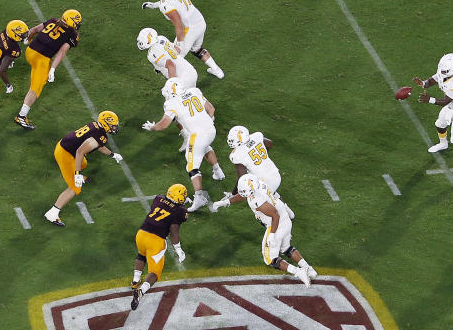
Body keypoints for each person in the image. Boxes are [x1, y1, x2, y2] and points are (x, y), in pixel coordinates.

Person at [142, 79, 224, 211]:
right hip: (210, 130)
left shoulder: (171, 103)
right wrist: (207, 122)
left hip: (197, 136)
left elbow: (164, 124)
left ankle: (199, 198)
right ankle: (218, 171)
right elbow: (211, 109)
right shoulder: (194, 91)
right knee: (203, 147)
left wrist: (153, 128)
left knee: (191, 167)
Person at [231, 174, 315, 286]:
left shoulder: (256, 200)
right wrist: (227, 202)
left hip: (276, 225)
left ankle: (299, 272)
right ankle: (308, 269)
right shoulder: (261, 183)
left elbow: (275, 216)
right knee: (286, 248)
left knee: (270, 259)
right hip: (285, 219)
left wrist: (271, 235)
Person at [43, 111, 122, 227]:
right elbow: (80, 152)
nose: (115, 127)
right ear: (105, 124)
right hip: (65, 153)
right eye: (113, 125)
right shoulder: (100, 135)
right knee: (76, 187)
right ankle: (52, 213)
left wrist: (112, 154)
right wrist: (77, 174)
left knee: (83, 163)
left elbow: (98, 144)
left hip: (64, 146)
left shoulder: (95, 125)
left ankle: (78, 174)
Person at [143, 0, 224, 79]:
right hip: (199, 20)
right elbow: (171, 0)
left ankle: (178, 87)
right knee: (196, 49)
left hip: (189, 28)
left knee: (174, 59)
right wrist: (155, 5)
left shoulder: (165, 5)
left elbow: (178, 24)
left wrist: (180, 44)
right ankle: (217, 71)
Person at [412, 53, 453, 176]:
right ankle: (443, 144)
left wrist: (430, 99)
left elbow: (445, 101)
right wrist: (422, 83)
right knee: (439, 124)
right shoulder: (445, 72)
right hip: (451, 106)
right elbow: (433, 80)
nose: (441, 71)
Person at [13, 9, 81, 131]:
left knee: (35, 81)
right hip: (41, 59)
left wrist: (27, 39)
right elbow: (61, 52)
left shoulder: (54, 20)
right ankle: (21, 116)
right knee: (36, 88)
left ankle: (22, 114)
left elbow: (33, 30)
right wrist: (52, 69)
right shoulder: (72, 35)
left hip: (30, 52)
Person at [210, 126, 294, 219]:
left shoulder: (237, 154)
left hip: (265, 180)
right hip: (275, 173)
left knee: (259, 205)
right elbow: (270, 143)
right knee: (272, 193)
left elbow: (242, 179)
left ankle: (284, 218)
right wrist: (262, 157)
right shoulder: (256, 136)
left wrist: (233, 194)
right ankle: (289, 212)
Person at [130, 184, 190, 311]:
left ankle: (135, 281)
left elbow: (166, 207)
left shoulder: (158, 198)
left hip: (141, 234)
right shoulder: (180, 211)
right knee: (155, 273)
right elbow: (173, 230)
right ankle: (141, 291)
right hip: (156, 241)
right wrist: (178, 249)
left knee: (142, 254)